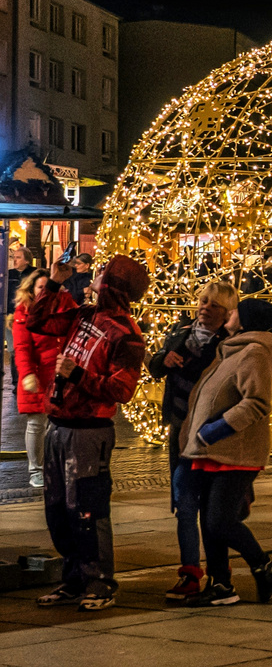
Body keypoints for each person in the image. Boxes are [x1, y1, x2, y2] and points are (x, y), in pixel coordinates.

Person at [30, 255, 148, 611]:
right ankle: (73, 579)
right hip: (59, 423)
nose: (94, 276)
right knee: (58, 510)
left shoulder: (127, 334)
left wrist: (79, 374)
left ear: (114, 285)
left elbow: (122, 390)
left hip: (89, 431)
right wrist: (53, 283)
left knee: (87, 509)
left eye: (102, 273)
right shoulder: (84, 315)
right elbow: (38, 321)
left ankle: (100, 582)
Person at [179, 298, 272, 607]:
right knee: (209, 521)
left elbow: (258, 402)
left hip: (235, 451)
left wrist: (217, 428)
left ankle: (261, 563)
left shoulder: (255, 352)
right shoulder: (233, 348)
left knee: (219, 521)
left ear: (246, 319)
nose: (229, 313)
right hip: (213, 450)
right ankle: (221, 583)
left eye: (235, 310)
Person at [146, 280, 237, 601]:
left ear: (227, 313)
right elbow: (154, 365)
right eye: (203, 301)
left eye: (214, 305)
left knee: (213, 510)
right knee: (184, 507)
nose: (205, 308)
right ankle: (189, 573)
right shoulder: (181, 332)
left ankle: (221, 574)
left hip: (210, 436)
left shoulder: (230, 345)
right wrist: (163, 360)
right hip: (179, 430)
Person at [12, 270, 57, 489]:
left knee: (55, 426)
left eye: (47, 288)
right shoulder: (24, 313)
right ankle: (36, 470)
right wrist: (28, 374)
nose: (44, 292)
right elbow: (21, 348)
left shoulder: (58, 309)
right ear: (31, 290)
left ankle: (51, 467)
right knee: (37, 424)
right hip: (38, 376)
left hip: (57, 375)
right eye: (40, 287)